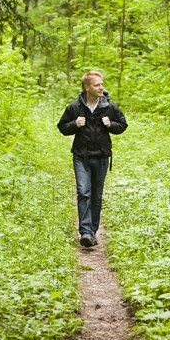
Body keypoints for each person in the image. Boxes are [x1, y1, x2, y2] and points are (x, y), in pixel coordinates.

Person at [57, 71, 128, 248]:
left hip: (102, 157)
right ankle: (86, 232)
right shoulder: (75, 107)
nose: (101, 88)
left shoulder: (109, 107)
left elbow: (123, 125)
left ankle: (93, 231)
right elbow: (62, 127)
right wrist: (74, 124)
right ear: (87, 87)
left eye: (102, 84)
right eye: (97, 85)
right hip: (82, 156)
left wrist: (110, 124)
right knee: (83, 192)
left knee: (96, 195)